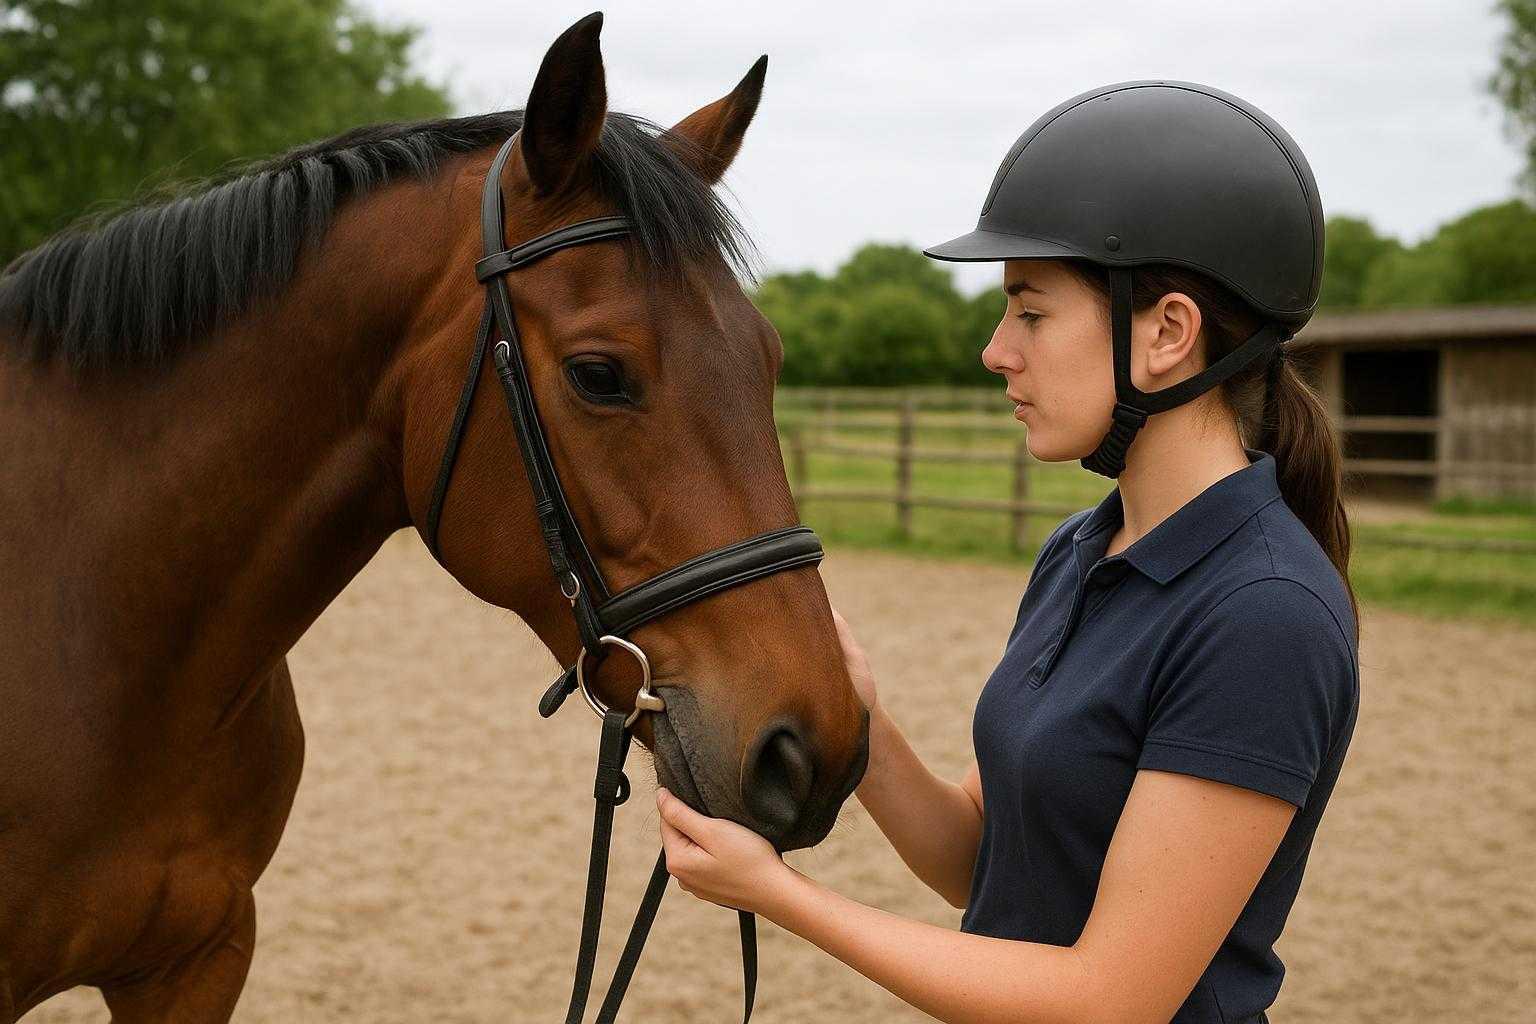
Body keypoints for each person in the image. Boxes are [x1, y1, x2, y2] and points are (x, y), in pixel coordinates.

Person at [656, 80, 1360, 1024]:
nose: (995, 351)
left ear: (1167, 334)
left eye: (1029, 313)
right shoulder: (1084, 551)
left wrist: (785, 899)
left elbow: (1108, 999)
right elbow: (979, 862)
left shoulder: (1263, 614)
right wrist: (866, 725)